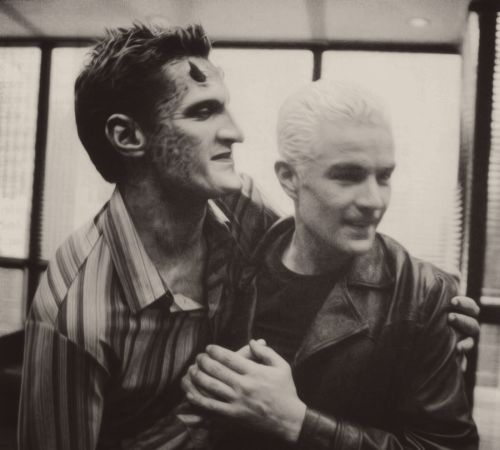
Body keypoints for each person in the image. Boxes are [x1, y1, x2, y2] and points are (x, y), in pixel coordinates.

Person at [18, 23, 478, 449]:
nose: (236, 132)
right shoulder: (72, 315)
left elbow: (324, 232)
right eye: (203, 111)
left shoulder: (237, 208)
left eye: (225, 106)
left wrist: (429, 313)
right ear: (127, 135)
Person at [182, 80, 479, 449]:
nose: (374, 201)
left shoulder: (422, 295)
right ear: (289, 178)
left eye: (384, 176)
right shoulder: (237, 263)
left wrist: (298, 423)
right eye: (348, 176)